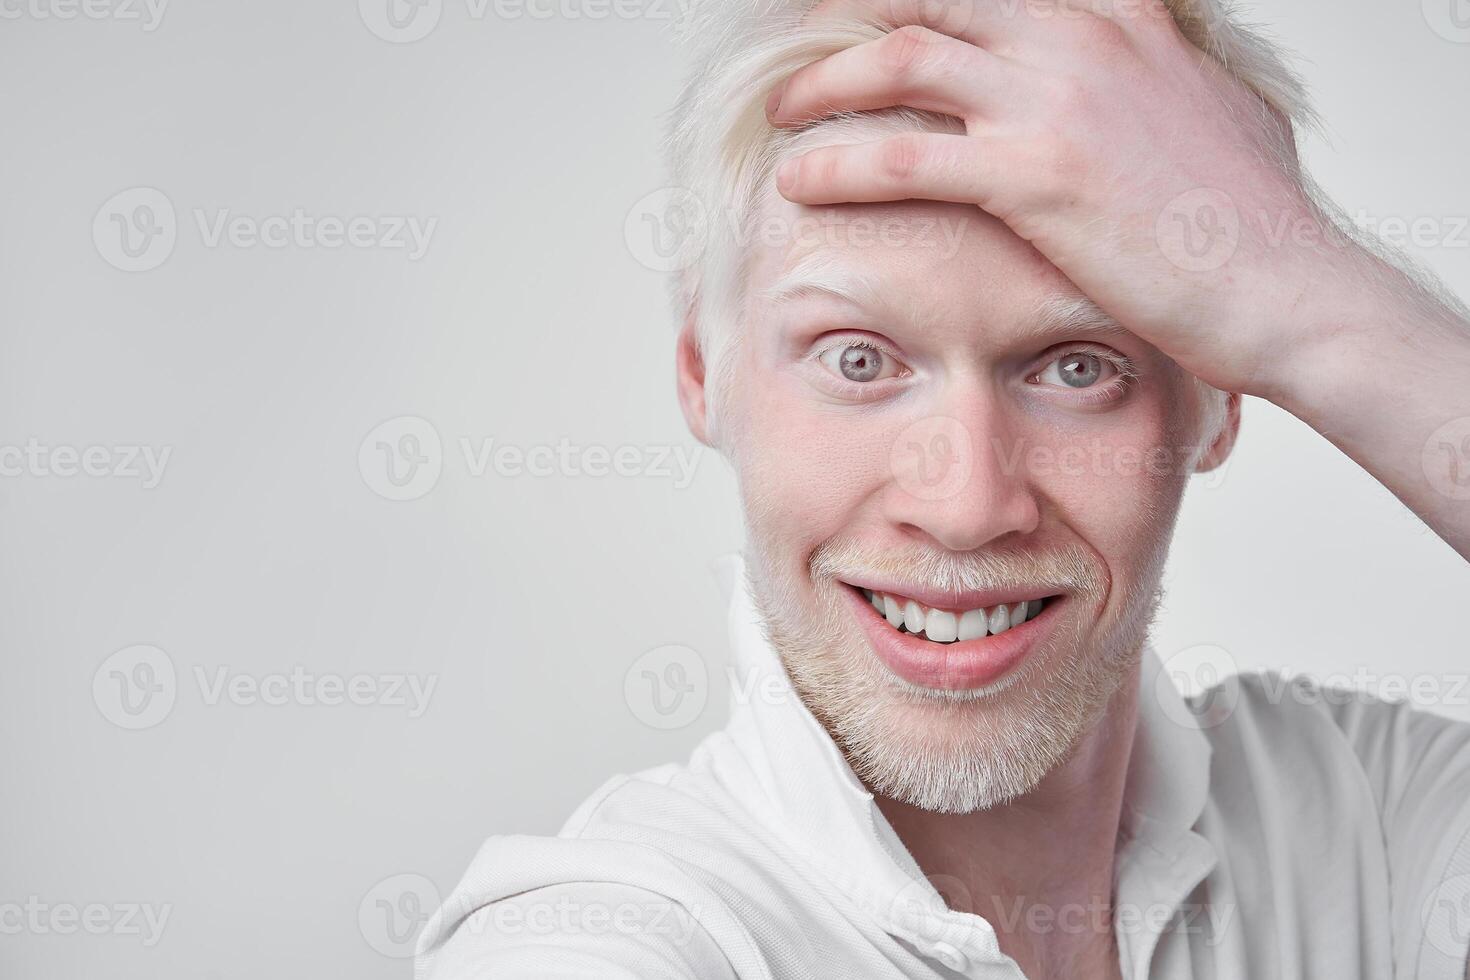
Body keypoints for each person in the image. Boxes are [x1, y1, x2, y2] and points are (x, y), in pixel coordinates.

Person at [416, 0, 1470, 976]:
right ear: (702, 372)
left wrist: (1301, 292)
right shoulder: (608, 937)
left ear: (1223, 393)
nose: (966, 505)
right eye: (858, 359)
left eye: (1076, 366)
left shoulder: (1370, 824)